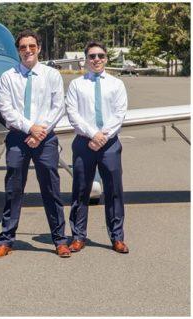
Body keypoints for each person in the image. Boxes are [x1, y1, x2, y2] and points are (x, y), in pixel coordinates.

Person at [0, 30, 71, 259]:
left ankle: (59, 240)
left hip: (46, 138)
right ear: (18, 50)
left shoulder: (51, 75)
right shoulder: (8, 77)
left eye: (32, 46)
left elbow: (59, 106)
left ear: (39, 48)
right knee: (13, 190)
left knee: (51, 189)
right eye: (23, 47)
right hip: (18, 137)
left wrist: (40, 130)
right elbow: (6, 109)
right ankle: (6, 240)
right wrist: (30, 128)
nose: (28, 50)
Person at [64, 41, 129, 254]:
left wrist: (103, 136)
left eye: (100, 55)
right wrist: (92, 134)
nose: (97, 59)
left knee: (114, 191)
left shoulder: (116, 84)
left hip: (109, 144)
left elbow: (120, 113)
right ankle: (78, 236)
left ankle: (117, 237)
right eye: (92, 56)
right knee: (81, 191)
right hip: (84, 143)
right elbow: (72, 113)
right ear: (86, 59)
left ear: (106, 58)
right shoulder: (76, 85)